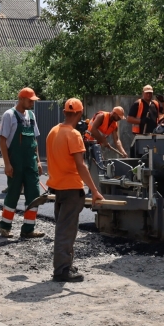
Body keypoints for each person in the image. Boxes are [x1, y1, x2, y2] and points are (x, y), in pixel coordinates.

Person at [46, 98, 104, 283]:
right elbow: (81, 166)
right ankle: (62, 270)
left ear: (65, 112)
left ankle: (66, 264)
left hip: (57, 187)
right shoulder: (74, 135)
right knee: (66, 230)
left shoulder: (53, 132)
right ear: (79, 114)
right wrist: (94, 191)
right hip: (72, 189)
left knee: (63, 228)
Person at [0, 87, 44, 239]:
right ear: (21, 99)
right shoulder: (9, 115)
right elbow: (2, 141)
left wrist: (38, 161)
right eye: (30, 100)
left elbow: (34, 140)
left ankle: (28, 229)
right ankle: (5, 227)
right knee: (13, 193)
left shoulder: (31, 115)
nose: (32, 103)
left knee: (34, 195)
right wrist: (7, 164)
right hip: (15, 164)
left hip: (30, 163)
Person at [85, 106, 128, 170]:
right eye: (118, 116)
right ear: (114, 113)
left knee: (100, 164)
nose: (119, 118)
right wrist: (104, 141)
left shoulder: (114, 125)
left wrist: (123, 152)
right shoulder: (101, 116)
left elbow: (116, 140)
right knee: (88, 164)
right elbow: (93, 129)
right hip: (87, 142)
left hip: (97, 145)